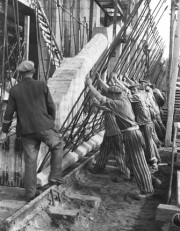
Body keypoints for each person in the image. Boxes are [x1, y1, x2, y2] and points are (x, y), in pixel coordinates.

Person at [0, 60, 64, 202]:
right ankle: (55, 175)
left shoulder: (15, 90)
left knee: (30, 162)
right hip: (44, 126)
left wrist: (4, 131)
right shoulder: (41, 85)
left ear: (20, 74)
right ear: (33, 71)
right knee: (58, 145)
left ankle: (29, 194)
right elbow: (51, 107)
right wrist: (50, 122)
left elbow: (8, 114)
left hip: (26, 130)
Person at [86, 75, 154, 198]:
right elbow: (108, 92)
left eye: (110, 95)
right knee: (135, 160)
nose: (108, 96)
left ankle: (147, 190)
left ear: (113, 96)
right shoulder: (124, 99)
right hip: (133, 133)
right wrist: (100, 81)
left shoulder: (117, 103)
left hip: (131, 134)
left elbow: (101, 97)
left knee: (139, 162)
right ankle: (148, 182)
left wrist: (90, 85)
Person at [89, 92, 130, 180]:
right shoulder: (116, 102)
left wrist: (96, 103)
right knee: (104, 150)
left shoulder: (116, 105)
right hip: (109, 132)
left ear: (114, 96)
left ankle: (125, 173)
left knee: (119, 153)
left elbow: (103, 107)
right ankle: (99, 168)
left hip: (116, 133)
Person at [128, 84, 161, 171]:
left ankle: (153, 163)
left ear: (137, 89)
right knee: (149, 141)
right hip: (144, 122)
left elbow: (124, 98)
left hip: (145, 122)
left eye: (133, 89)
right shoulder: (142, 94)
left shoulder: (137, 96)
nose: (132, 91)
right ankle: (155, 159)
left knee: (148, 141)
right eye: (131, 90)